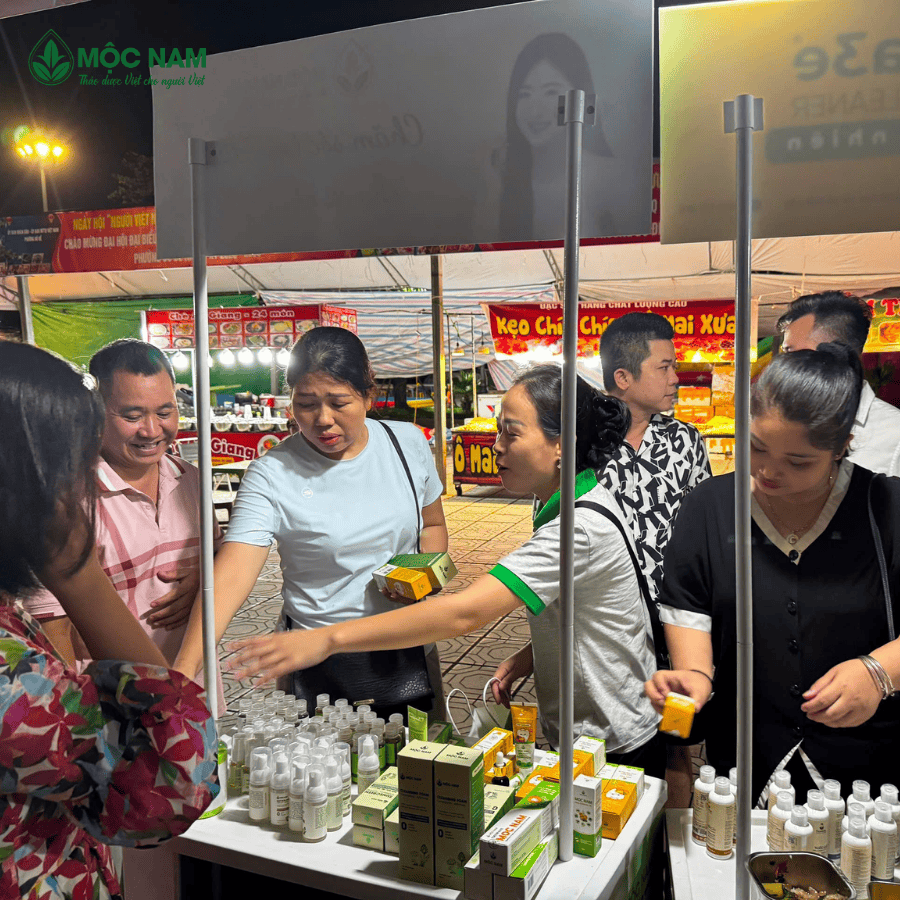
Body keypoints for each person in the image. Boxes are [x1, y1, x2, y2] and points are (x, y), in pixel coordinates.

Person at [222, 364, 664, 775]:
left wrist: (325, 639)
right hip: (581, 722)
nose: (496, 446)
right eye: (497, 430)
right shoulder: (558, 502)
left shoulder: (577, 528)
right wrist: (530, 656)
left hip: (614, 734)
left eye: (511, 433)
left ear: (562, 446)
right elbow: (585, 609)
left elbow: (464, 613)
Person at [0, 341, 218, 899]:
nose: (77, 484)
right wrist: (79, 574)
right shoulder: (12, 675)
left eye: (165, 411)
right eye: (66, 463)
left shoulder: (191, 480)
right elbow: (176, 772)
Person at [647, 343, 900, 802]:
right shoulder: (710, 508)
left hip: (869, 771)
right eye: (756, 446)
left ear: (842, 446)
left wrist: (880, 672)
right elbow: (690, 610)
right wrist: (695, 678)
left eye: (798, 461)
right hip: (745, 756)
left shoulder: (886, 508)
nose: (766, 471)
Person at [174, 327, 450, 715]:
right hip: (315, 655)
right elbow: (233, 571)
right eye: (306, 404)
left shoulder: (406, 443)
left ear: (369, 395)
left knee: (422, 749)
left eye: (339, 402)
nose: (323, 419)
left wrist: (422, 577)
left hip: (405, 641)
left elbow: (432, 526)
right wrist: (184, 671)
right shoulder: (271, 473)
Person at [21, 339, 224, 710]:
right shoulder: (68, 501)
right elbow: (53, 628)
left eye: (165, 412)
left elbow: (219, 560)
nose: (152, 430)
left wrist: (202, 578)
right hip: (115, 711)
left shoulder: (191, 480)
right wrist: (77, 718)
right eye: (132, 416)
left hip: (195, 694)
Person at [598, 312, 711, 807]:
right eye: (664, 367)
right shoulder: (583, 445)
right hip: (610, 628)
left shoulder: (685, 441)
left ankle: (673, 844)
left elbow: (707, 531)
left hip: (676, 626)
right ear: (623, 377)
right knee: (615, 745)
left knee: (677, 741)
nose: (675, 378)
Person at [478, 33, 641, 243]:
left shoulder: (610, 177)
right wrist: (492, 188)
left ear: (581, 101)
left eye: (551, 92)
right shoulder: (498, 179)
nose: (535, 111)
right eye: (524, 94)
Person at [778, 290, 900, 476]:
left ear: (836, 353)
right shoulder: (776, 421)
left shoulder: (894, 434)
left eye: (791, 352)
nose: (783, 364)